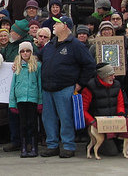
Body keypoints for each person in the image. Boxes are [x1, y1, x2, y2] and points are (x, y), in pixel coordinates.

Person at [38, 16, 96, 158]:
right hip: (47, 88)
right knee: (48, 118)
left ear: (64, 26)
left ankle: (68, 146)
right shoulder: (50, 45)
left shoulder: (76, 45)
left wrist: (80, 83)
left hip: (65, 88)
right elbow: (37, 58)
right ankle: (52, 145)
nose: (53, 26)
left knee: (66, 118)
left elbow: (90, 65)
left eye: (56, 24)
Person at [9, 42, 42, 158]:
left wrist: (40, 101)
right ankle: (23, 147)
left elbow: (40, 84)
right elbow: (12, 86)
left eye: (27, 51)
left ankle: (33, 147)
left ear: (31, 52)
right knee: (22, 124)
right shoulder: (17, 66)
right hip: (21, 99)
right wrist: (12, 102)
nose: (25, 53)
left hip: (32, 99)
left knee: (32, 124)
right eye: (22, 51)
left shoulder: (37, 66)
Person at [82, 63, 126, 146]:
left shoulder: (116, 85)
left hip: (113, 124)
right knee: (111, 151)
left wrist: (121, 114)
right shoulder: (90, 87)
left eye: (113, 75)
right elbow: (83, 110)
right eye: (110, 75)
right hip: (98, 124)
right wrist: (92, 121)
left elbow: (120, 103)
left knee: (121, 146)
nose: (113, 77)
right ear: (103, 76)